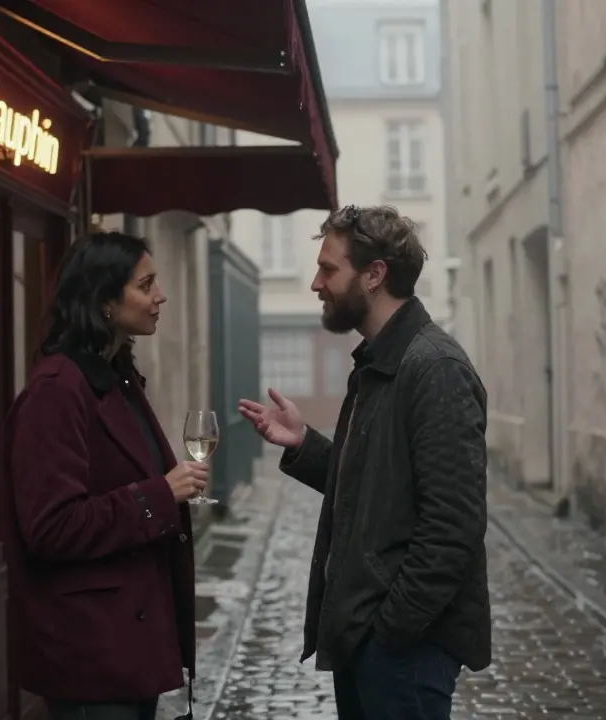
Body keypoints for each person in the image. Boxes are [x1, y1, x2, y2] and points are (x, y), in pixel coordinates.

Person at [238, 205, 491, 720]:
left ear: (374, 274)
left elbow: (453, 527)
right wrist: (304, 444)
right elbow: (376, 484)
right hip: (369, 643)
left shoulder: (434, 368)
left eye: (329, 269)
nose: (315, 283)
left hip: (404, 652)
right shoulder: (378, 362)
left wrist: (391, 630)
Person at [1, 231, 206, 720]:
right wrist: (160, 494)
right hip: (89, 653)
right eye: (146, 284)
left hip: (127, 644)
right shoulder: (57, 391)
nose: (160, 297)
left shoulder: (117, 378)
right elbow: (51, 527)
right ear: (105, 300)